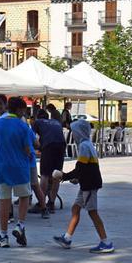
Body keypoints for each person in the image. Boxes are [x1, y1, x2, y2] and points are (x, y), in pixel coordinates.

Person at [52, 119, 113, 252]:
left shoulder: (84, 146)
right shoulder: (87, 144)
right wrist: (77, 178)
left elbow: (81, 168)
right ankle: (67, 238)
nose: (72, 135)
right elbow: (86, 168)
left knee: (92, 212)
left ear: (79, 132)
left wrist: (64, 175)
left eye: (74, 132)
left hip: (90, 185)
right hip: (86, 183)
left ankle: (106, 242)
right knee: (75, 208)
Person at [0, 96, 35, 248]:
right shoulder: (23, 126)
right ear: (19, 110)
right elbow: (27, 148)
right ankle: (20, 225)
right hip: (20, 167)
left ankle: (3, 235)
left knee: (4, 201)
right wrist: (28, 154)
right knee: (24, 196)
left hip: (1, 166)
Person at [33, 108, 66, 213]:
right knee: (56, 174)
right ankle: (51, 203)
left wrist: (36, 148)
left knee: (45, 174)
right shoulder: (56, 122)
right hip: (61, 145)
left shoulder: (37, 122)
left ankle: (41, 203)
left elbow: (32, 138)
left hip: (49, 145)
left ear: (38, 117)